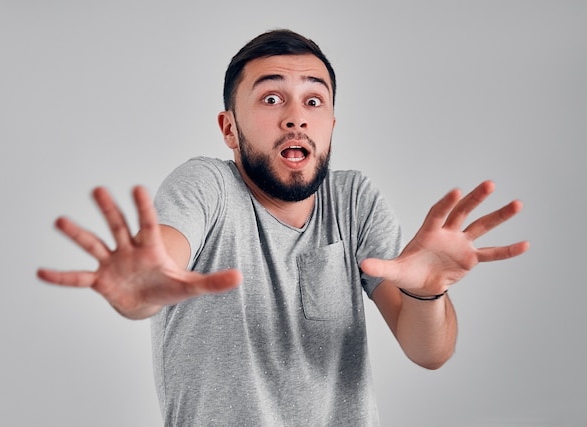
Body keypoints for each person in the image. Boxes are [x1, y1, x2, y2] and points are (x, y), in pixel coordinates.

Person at [37, 29, 529, 426]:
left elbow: (430, 353)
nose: (296, 118)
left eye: (313, 102)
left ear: (332, 123)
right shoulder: (205, 185)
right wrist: (141, 287)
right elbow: (160, 264)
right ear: (229, 128)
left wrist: (428, 294)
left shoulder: (354, 199)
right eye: (272, 99)